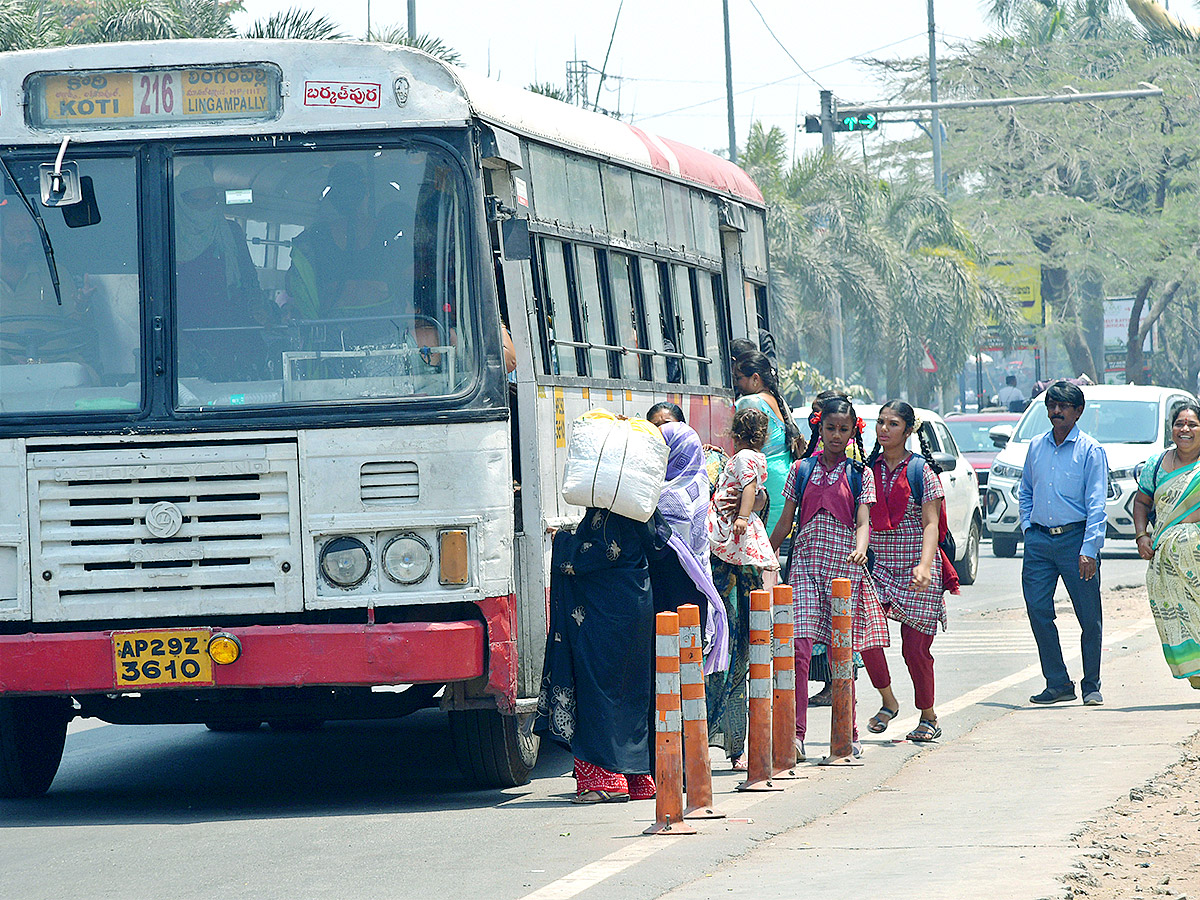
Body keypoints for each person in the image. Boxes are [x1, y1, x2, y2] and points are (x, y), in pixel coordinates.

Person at [770, 397, 889, 760]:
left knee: (843, 654)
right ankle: (796, 735)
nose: (836, 436)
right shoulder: (801, 469)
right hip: (805, 565)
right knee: (799, 650)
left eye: (843, 429)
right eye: (830, 429)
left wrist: (860, 548)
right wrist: (765, 554)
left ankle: (846, 733)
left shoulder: (860, 474)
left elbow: (864, 522)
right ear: (819, 430)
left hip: (843, 571)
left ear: (854, 432)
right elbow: (787, 519)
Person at [534, 507, 668, 802]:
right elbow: (657, 543)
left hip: (605, 613)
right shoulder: (642, 508)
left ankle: (603, 780)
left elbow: (596, 554)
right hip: (635, 603)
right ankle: (637, 777)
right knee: (631, 691)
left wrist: (562, 541)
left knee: (597, 687)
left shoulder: (608, 513)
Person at [861, 401, 959, 743]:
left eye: (892, 423)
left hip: (918, 568)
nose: (884, 429)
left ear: (907, 430)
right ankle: (888, 702)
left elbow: (932, 524)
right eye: (880, 422)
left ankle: (928, 715)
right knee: (866, 637)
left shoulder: (922, 472)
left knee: (914, 649)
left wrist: (925, 564)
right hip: (880, 567)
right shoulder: (866, 470)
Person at [1019, 380, 1108, 706]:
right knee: (1038, 610)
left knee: (1088, 616)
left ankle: (1090, 685)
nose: (1056, 412)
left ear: (1078, 411)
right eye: (1052, 406)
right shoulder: (1036, 446)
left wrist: (1089, 549)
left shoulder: (1091, 451)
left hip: (1076, 541)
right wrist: (1028, 528)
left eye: (1064, 406)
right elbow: (1026, 490)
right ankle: (1057, 683)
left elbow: (1097, 503)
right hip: (1039, 542)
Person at [705, 407, 780, 769]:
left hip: (738, 581)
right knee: (710, 661)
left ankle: (736, 746)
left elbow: (756, 503)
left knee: (740, 661)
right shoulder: (709, 467)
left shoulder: (738, 466)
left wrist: (747, 511)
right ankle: (699, 742)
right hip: (710, 588)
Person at [173, 164, 270, 380]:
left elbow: (249, 280)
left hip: (232, 331)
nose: (203, 208)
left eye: (209, 200)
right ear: (180, 201)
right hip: (187, 337)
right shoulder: (168, 237)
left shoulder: (231, 233)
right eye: (195, 202)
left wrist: (257, 308)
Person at [652, 421, 729, 674]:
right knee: (688, 667)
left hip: (667, 588)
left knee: (668, 665)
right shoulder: (700, 484)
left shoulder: (666, 495)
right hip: (696, 586)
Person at [1132, 401, 1200, 687]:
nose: (1185, 429)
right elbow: (1141, 501)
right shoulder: (1156, 465)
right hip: (1166, 567)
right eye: (1179, 423)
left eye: (1192, 424)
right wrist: (1141, 535)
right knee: (1180, 618)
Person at [0, 202, 83, 364]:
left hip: (57, 366)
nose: (29, 240)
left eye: (31, 233)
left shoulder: (56, 274)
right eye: (19, 234)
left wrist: (81, 308)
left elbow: (76, 332)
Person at [733, 351, 803, 535]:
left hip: (762, 481)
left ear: (755, 378)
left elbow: (745, 448)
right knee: (770, 544)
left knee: (755, 544)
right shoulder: (775, 400)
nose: (736, 384)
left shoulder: (749, 401)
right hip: (783, 478)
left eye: (739, 378)